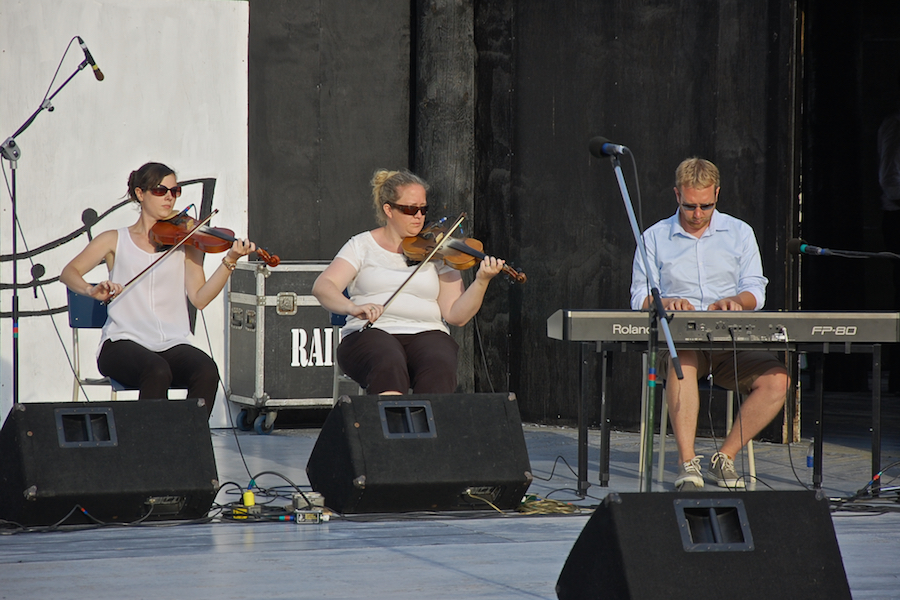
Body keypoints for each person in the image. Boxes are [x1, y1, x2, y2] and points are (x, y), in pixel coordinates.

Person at [630, 157, 790, 489]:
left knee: (777, 380)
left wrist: (738, 302)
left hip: (731, 341)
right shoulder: (654, 237)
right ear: (677, 195)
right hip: (681, 342)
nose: (698, 214)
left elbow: (755, 290)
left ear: (717, 194)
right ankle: (687, 463)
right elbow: (638, 297)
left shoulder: (739, 232)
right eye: (690, 206)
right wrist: (663, 301)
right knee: (682, 364)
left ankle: (725, 457)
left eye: (706, 205)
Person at [60, 162, 256, 416]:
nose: (169, 197)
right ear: (140, 194)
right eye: (161, 191)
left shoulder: (186, 239)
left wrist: (230, 260)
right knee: (156, 369)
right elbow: (68, 273)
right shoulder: (114, 239)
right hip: (122, 342)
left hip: (170, 343)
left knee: (206, 370)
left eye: (175, 191)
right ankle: (150, 450)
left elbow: (200, 298)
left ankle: (188, 445)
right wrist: (90, 289)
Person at [312, 169, 504, 395]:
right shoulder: (361, 245)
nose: (419, 216)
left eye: (423, 209)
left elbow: (455, 315)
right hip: (371, 333)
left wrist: (482, 281)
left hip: (427, 332)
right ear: (389, 210)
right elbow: (323, 286)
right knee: (388, 360)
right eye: (411, 209)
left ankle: (429, 428)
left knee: (439, 363)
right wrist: (352, 308)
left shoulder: (437, 250)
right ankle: (392, 426)